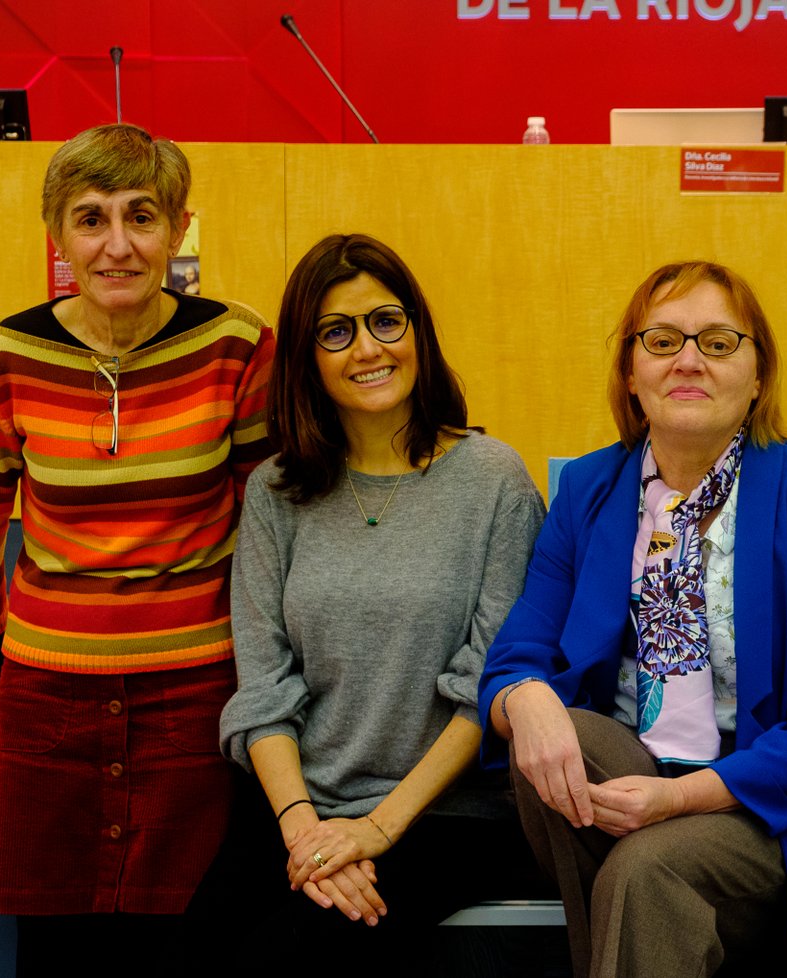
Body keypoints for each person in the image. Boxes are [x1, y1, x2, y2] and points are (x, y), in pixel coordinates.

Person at [479, 261, 787, 978]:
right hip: (631, 773)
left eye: (718, 342)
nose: (688, 360)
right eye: (662, 341)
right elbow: (515, 657)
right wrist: (523, 699)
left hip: (772, 808)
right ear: (630, 373)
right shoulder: (587, 490)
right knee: (552, 736)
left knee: (646, 872)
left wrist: (677, 800)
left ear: (758, 376)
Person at [0, 123, 273, 975]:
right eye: (91, 219)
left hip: (198, 698)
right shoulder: (4, 360)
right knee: (58, 954)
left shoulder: (237, 348)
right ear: (57, 234)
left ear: (179, 228)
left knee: (195, 946)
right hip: (46, 703)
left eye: (142, 216)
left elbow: (275, 536)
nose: (117, 245)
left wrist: (274, 688)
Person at [218, 233, 549, 975]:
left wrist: (376, 829)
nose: (368, 348)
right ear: (306, 357)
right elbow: (263, 691)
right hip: (301, 806)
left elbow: (488, 686)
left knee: (281, 962)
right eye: (336, 331)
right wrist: (306, 832)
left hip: (450, 815)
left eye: (385, 321)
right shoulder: (275, 492)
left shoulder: (495, 482)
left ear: (417, 330)